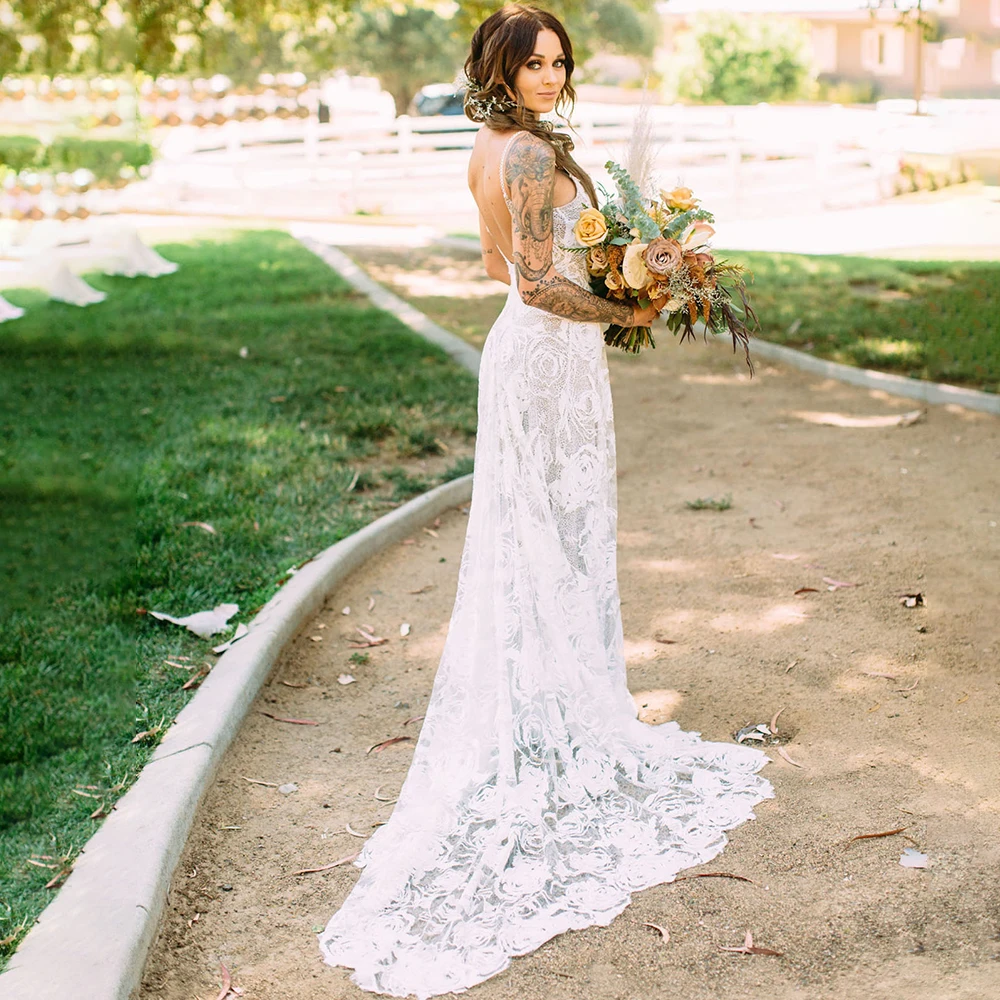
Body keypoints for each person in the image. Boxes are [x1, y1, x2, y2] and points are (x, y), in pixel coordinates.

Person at [318, 6, 773, 997]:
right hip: (542, 361)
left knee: (555, 544)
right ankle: (553, 721)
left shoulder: (498, 147)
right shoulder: (525, 155)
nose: (548, 75)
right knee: (548, 542)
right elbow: (530, 283)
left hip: (547, 364)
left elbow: (500, 266)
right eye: (532, 63)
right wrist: (628, 305)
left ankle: (555, 705)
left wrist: (611, 273)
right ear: (499, 68)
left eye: (558, 62)